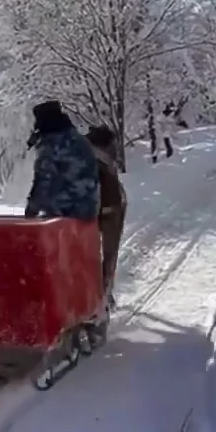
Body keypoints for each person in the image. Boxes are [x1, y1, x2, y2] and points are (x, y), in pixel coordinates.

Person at [24, 100, 99, 222]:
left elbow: (43, 179)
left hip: (66, 212)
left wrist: (31, 211)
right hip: (88, 209)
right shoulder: (77, 138)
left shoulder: (52, 143)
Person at [86, 124, 127, 309]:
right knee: (109, 255)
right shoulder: (102, 161)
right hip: (110, 211)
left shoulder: (79, 157)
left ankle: (96, 292)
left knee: (88, 255)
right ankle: (104, 294)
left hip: (84, 214)